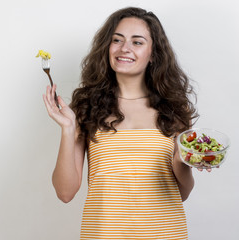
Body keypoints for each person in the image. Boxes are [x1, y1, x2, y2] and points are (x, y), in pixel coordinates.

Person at [43, 7, 200, 239]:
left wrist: (182, 161)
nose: (124, 48)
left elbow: (182, 193)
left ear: (154, 53)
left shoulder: (174, 109)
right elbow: (65, 193)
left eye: (137, 42)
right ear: (107, 46)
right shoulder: (87, 107)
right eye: (117, 40)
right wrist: (68, 130)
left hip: (165, 232)